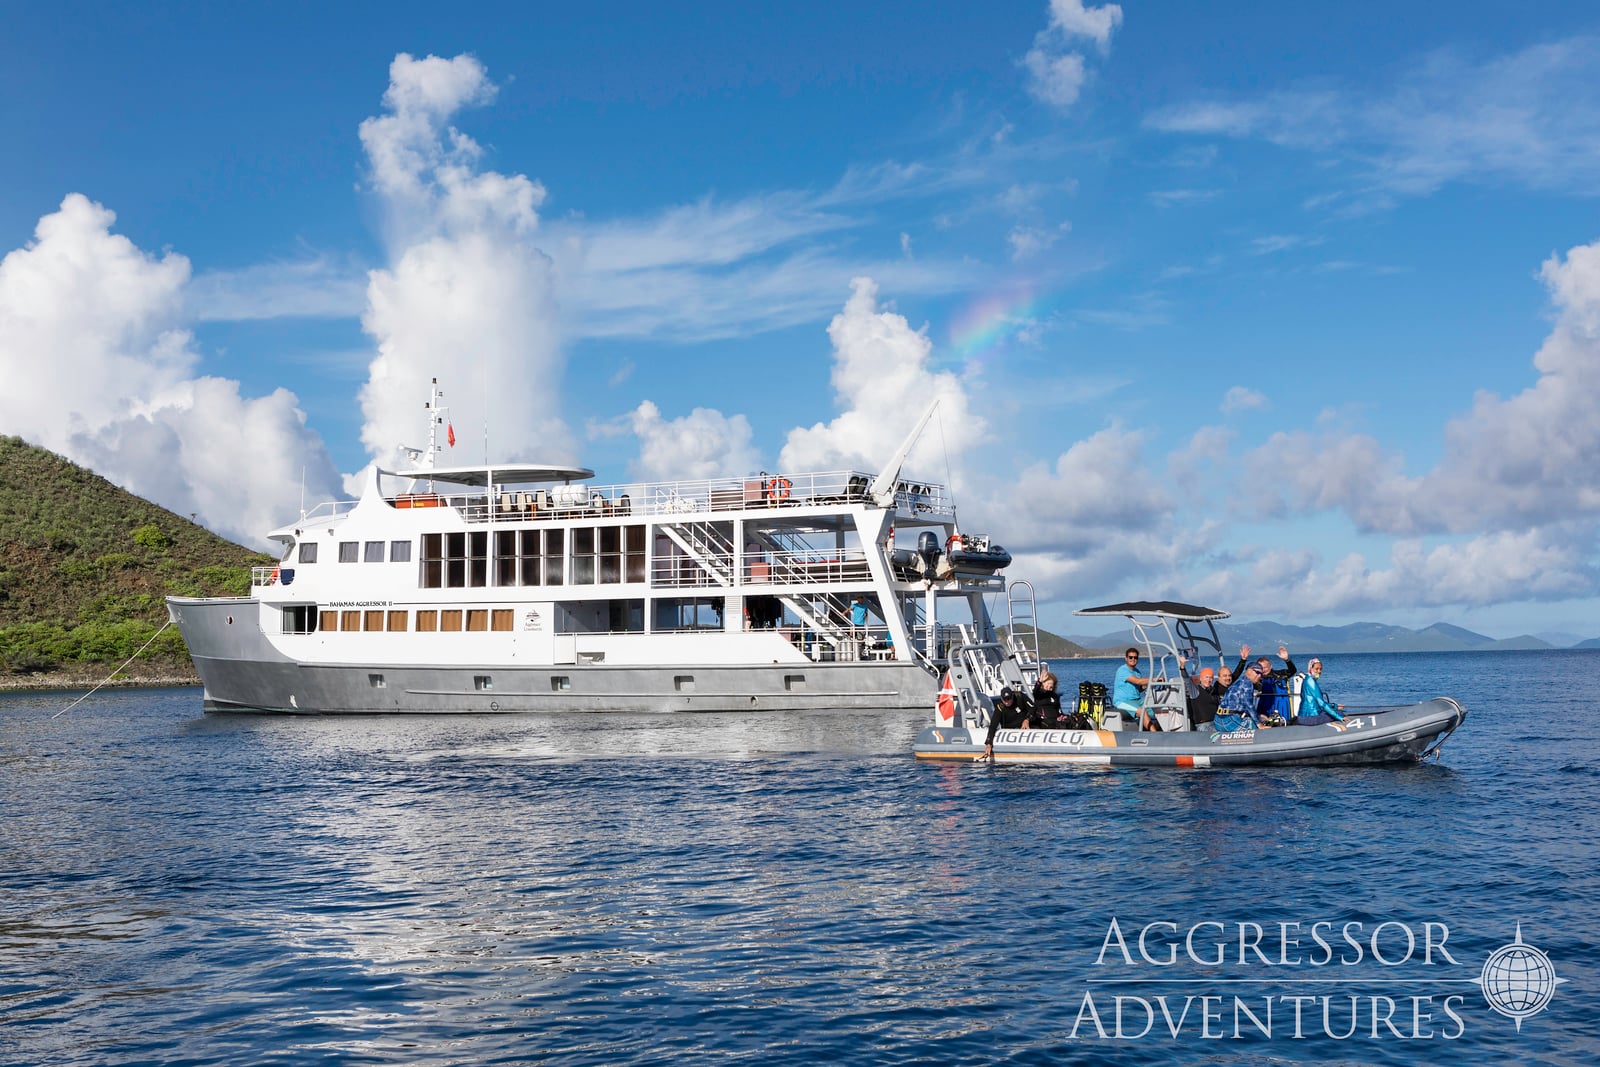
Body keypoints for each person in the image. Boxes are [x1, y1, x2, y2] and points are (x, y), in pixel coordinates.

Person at [1214, 663, 1271, 732]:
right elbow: (1249, 705)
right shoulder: (1248, 683)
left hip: (1217, 721)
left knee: (1256, 718)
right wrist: (1259, 724)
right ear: (1249, 671)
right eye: (1257, 672)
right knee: (1254, 724)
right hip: (1229, 721)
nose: (1260, 676)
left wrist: (1258, 716)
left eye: (1261, 674)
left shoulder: (1238, 682)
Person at [983, 686, 1037, 758]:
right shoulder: (1000, 707)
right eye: (1004, 700)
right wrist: (989, 742)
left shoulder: (1019, 696)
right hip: (1010, 728)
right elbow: (993, 725)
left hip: (1026, 725)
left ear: (1012, 696)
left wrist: (1027, 719)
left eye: (1009, 699)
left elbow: (1033, 707)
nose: (1007, 702)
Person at [1113, 647, 1156, 730]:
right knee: (1142, 711)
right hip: (1123, 701)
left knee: (1158, 711)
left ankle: (1161, 732)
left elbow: (1139, 688)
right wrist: (1154, 679)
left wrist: (1148, 684)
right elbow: (1137, 681)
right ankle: (1156, 737)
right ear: (1126, 658)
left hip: (1137, 700)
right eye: (1130, 657)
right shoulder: (1122, 670)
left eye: (1135, 657)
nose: (1133, 659)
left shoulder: (1137, 672)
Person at [1295, 657, 1347, 725]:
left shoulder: (1308, 679)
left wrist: (1335, 706)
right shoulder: (1310, 682)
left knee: (1336, 711)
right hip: (1310, 718)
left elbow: (1317, 703)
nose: (1319, 671)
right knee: (1340, 713)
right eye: (1316, 669)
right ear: (1311, 668)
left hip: (1305, 716)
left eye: (1320, 669)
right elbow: (1321, 704)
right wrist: (1340, 718)